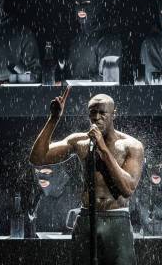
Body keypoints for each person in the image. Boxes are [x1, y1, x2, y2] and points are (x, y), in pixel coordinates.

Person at [30, 88, 144, 265]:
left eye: (102, 113)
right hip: (86, 217)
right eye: (93, 112)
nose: (97, 117)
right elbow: (37, 158)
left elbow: (127, 188)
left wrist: (103, 149)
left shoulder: (131, 145)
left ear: (114, 113)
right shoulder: (80, 141)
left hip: (116, 218)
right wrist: (54, 119)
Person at [64, 0, 122, 81]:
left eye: (87, 2)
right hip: (75, 93)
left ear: (98, 5)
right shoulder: (77, 39)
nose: (81, 8)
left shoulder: (108, 39)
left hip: (98, 94)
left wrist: (66, 84)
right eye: (77, 3)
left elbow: (110, 79)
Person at [30, 155, 81, 233]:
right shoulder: (38, 199)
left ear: (61, 174)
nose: (40, 177)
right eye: (37, 172)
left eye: (46, 172)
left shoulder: (76, 197)